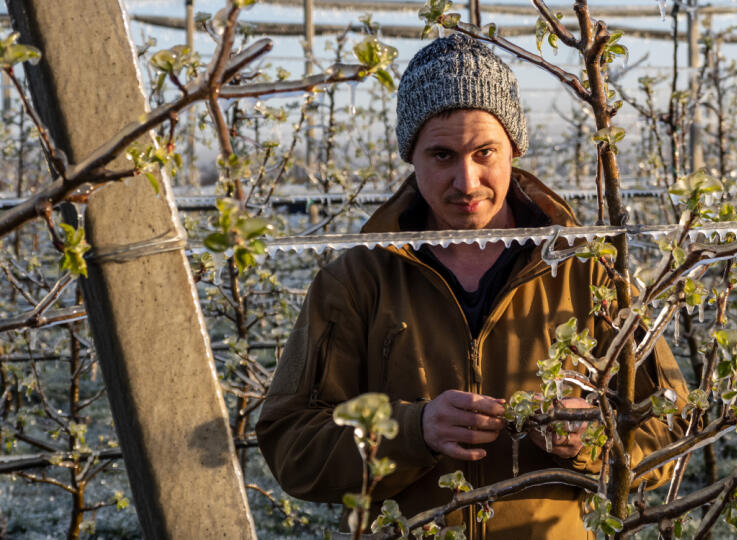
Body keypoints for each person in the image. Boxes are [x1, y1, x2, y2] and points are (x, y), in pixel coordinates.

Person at [256, 34, 689, 539]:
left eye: (485, 151)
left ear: (515, 149)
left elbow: (673, 421)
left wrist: (594, 435)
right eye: (441, 155)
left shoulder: (587, 271)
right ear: (410, 156)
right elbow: (291, 446)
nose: (466, 180)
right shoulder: (357, 281)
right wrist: (411, 431)